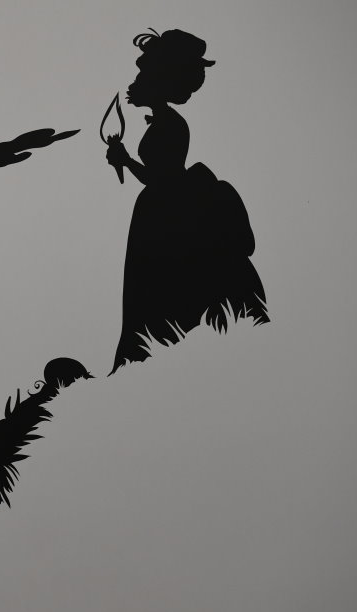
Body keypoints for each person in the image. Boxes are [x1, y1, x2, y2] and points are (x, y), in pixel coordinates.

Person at [105, 29, 269, 373]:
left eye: (144, 75)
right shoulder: (163, 121)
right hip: (163, 206)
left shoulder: (170, 125)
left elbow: (161, 178)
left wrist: (126, 161)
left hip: (167, 211)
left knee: (162, 295)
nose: (137, 80)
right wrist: (126, 160)